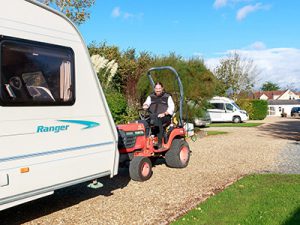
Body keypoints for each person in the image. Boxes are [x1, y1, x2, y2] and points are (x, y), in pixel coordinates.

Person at [143, 82, 175, 149]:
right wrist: (145, 105)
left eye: (159, 88)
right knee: (142, 122)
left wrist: (164, 113)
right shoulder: (150, 97)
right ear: (154, 89)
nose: (158, 90)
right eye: (156, 88)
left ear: (162, 88)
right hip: (153, 116)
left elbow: (172, 108)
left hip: (165, 117)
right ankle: (145, 141)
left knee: (158, 120)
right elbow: (146, 103)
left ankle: (160, 143)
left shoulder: (167, 97)